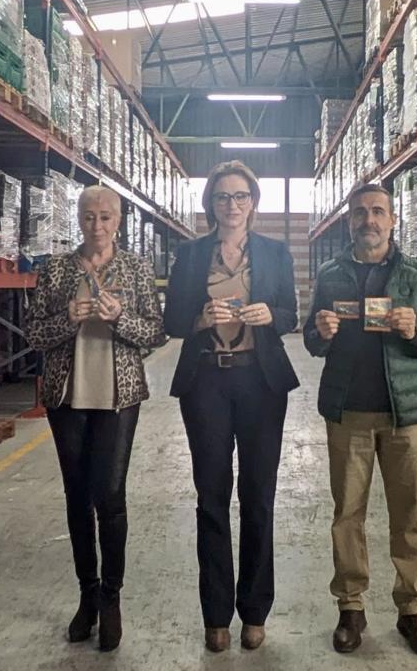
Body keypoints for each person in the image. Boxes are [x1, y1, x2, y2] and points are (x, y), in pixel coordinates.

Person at [302, 183, 417, 658]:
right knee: (347, 515)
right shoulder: (330, 274)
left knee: (408, 517)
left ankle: (411, 608)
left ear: (391, 219)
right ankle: (351, 606)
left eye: (378, 212)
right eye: (361, 213)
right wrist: (320, 332)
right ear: (350, 221)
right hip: (349, 413)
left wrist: (416, 332)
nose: (369, 220)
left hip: (405, 417)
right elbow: (311, 338)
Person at [164, 161, 299, 653]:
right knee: (211, 498)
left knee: (259, 496)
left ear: (253, 202)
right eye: (223, 197)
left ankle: (255, 611)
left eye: (241, 196)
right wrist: (199, 317)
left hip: (261, 384)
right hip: (207, 385)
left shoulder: (275, 253)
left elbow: (291, 313)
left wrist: (272, 316)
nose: (233, 205)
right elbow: (172, 320)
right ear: (211, 204)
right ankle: (216, 614)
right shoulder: (191, 253)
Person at [25, 185, 165, 652]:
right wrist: (69, 317)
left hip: (119, 398)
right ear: (78, 221)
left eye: (105, 217)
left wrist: (120, 317)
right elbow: (36, 334)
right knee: (77, 497)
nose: (97, 225)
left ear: (118, 220)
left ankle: (111, 598)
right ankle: (87, 594)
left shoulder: (136, 269)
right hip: (68, 398)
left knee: (110, 495)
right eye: (88, 217)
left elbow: (154, 333)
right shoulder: (57, 270)